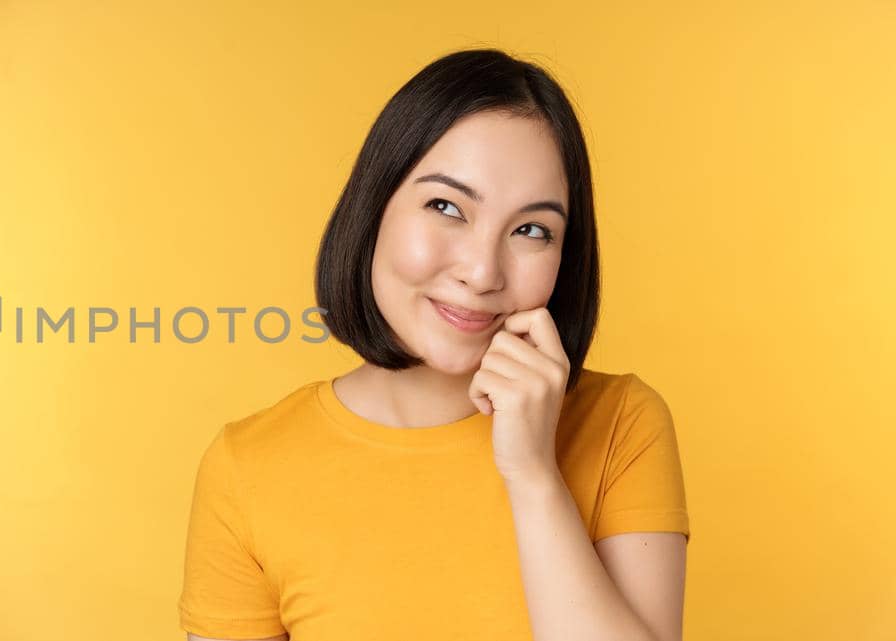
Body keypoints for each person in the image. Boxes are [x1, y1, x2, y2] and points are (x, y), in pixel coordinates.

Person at [178, 48, 690, 641]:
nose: (481, 272)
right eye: (446, 206)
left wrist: (532, 475)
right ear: (374, 211)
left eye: (532, 230)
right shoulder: (248, 466)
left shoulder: (621, 425)